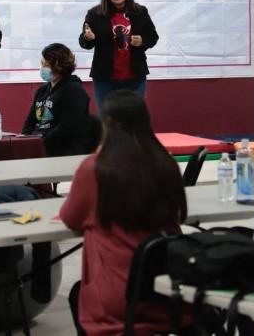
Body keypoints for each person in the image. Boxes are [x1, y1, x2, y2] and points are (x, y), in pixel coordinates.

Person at [60, 90, 191, 335]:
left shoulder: (95, 169)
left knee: (78, 294)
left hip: (119, 295)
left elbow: (70, 217)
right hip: (169, 288)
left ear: (107, 124)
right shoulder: (166, 164)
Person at [78, 0, 158, 111]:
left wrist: (142, 41)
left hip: (135, 78)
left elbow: (153, 37)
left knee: (134, 119)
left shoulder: (140, 12)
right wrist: (88, 38)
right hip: (104, 79)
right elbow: (84, 42)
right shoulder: (95, 14)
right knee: (107, 120)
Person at [22, 43, 92, 157]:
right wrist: (24, 141)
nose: (42, 68)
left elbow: (67, 128)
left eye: (46, 65)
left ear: (59, 66)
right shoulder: (42, 91)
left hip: (64, 149)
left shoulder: (75, 91)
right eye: (42, 64)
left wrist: (40, 143)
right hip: (40, 145)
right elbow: (29, 123)